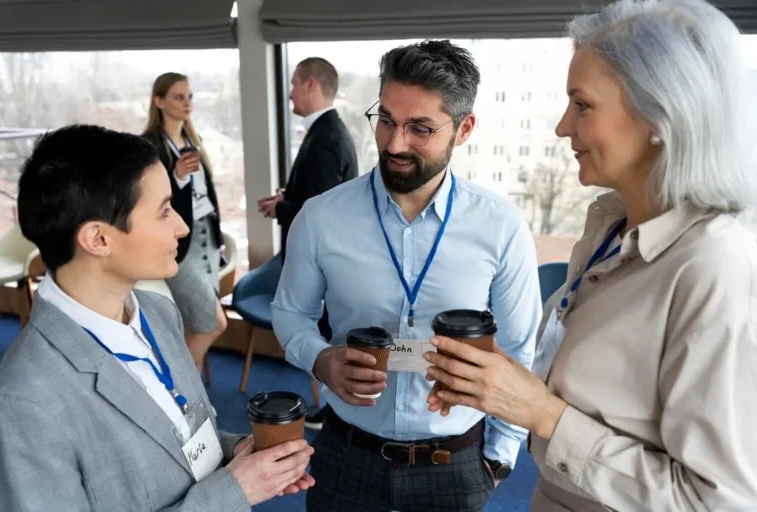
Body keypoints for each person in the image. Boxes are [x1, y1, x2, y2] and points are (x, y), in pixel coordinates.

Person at [422, 1, 757, 511]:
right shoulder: (610, 229)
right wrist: (496, 386)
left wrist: (544, 415)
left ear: (659, 112)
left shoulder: (715, 267)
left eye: (582, 104)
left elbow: (717, 502)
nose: (561, 126)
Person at [271, 40, 542, 511]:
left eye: (420, 128)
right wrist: (319, 359)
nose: (395, 144)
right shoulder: (320, 218)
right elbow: (291, 312)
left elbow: (521, 352)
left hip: (454, 462)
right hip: (345, 454)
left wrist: (499, 458)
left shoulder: (500, 226)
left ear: (464, 129)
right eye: (387, 121)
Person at [0, 125, 314, 511]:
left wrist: (238, 454)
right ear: (99, 239)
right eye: (164, 211)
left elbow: (179, 438)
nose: (181, 226)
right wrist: (234, 492)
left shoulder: (158, 313)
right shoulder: (25, 400)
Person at [258, 57, 358, 430]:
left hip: (327, 262)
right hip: (332, 259)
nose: (289, 93)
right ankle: (335, 408)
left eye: (294, 83)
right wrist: (286, 199)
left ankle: (337, 411)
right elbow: (318, 198)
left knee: (331, 334)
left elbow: (322, 214)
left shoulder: (326, 139)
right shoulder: (327, 131)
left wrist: (283, 207)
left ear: (311, 85)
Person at [143, 72, 226, 373]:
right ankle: (183, 392)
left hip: (207, 237)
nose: (187, 103)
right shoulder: (150, 145)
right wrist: (176, 176)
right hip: (179, 242)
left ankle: (196, 402)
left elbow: (207, 192)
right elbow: (149, 200)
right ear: (159, 101)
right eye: (179, 97)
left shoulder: (192, 138)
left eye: (189, 96)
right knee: (213, 323)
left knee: (196, 325)